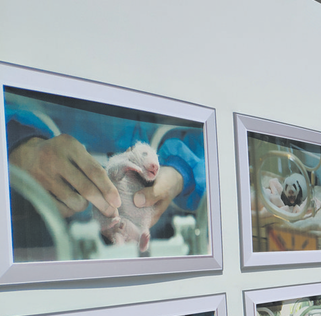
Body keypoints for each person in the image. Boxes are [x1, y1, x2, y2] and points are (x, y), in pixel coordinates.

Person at [5, 92, 207, 253]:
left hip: (160, 233)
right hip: (37, 236)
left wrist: (182, 170)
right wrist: (18, 143)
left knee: (128, 229)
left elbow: (212, 140)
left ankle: (135, 235)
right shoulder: (124, 161)